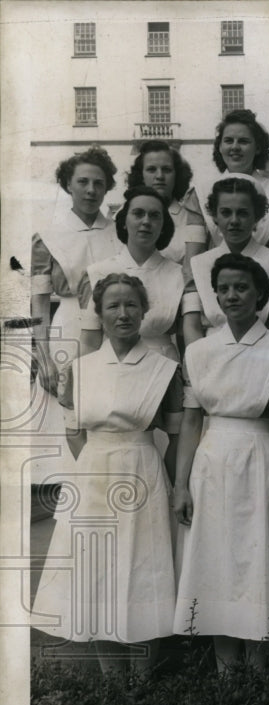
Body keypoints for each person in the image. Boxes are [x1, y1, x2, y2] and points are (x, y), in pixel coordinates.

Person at [32, 273, 181, 673]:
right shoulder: (81, 368)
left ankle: (143, 683)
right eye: (113, 305)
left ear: (145, 310)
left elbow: (177, 435)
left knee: (142, 570)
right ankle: (113, 687)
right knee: (96, 570)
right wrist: (95, 467)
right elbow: (74, 432)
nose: (123, 313)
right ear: (99, 313)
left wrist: (169, 484)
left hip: (143, 474)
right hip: (93, 474)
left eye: (131, 304)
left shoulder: (163, 368)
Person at [172, 254, 269, 672]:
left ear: (260, 294)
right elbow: (190, 421)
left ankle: (259, 674)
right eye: (224, 288)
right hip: (212, 460)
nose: (232, 295)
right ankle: (227, 675)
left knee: (257, 560)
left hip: (261, 457)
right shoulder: (200, 350)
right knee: (218, 561)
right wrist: (180, 485)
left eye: (241, 287)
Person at [30, 146, 122, 484]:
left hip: (112, 329)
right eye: (82, 181)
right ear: (68, 184)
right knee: (69, 416)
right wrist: (43, 358)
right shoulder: (47, 236)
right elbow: (38, 302)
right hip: (68, 327)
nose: (90, 190)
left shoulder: (117, 232)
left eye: (98, 183)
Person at [182, 177, 269, 345]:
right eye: (226, 213)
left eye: (242, 213)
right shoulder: (197, 265)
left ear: (257, 217)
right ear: (215, 217)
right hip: (209, 356)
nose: (234, 221)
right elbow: (191, 326)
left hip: (261, 355)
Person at [78, 186, 183, 360]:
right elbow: (89, 340)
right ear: (124, 222)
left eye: (155, 215)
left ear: (164, 225)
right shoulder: (98, 271)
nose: (146, 221)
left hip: (164, 364)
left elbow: (185, 336)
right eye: (138, 213)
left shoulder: (178, 274)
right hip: (111, 363)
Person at [200, 109, 269, 251]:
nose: (235, 147)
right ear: (220, 147)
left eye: (243, 141)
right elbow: (193, 257)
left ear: (257, 148)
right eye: (228, 141)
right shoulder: (199, 193)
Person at [125, 140, 207, 268]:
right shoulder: (123, 217)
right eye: (151, 169)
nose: (159, 176)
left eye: (166, 170)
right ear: (141, 175)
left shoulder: (191, 220)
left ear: (177, 175)